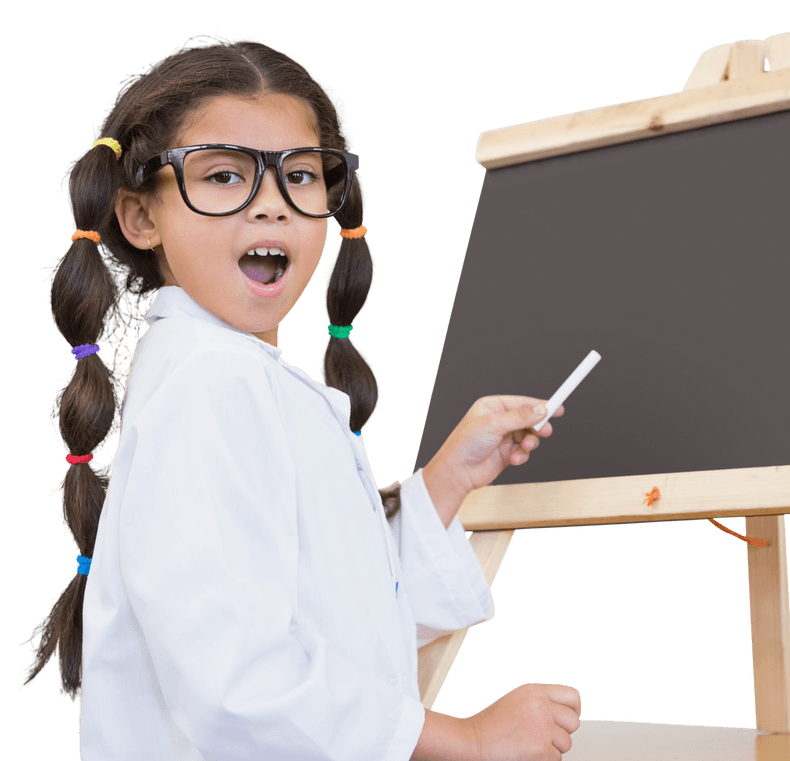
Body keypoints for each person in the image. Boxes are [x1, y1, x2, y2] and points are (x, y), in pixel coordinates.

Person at [19, 33, 581, 761]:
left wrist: (448, 479)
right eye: (223, 177)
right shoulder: (210, 383)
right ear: (140, 216)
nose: (272, 208)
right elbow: (236, 681)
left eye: (302, 177)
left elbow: (334, 615)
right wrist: (465, 739)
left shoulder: (238, 374)